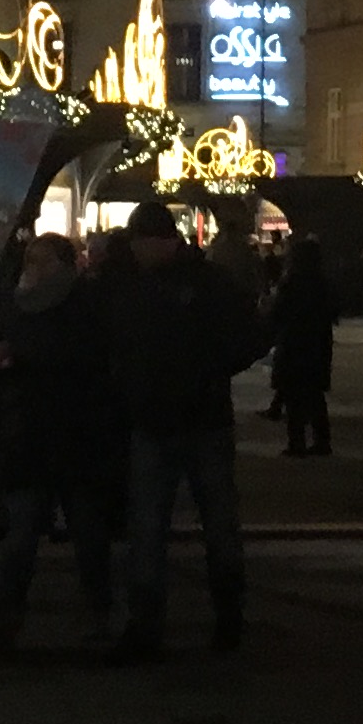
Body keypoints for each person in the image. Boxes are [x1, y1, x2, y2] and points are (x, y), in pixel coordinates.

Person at [101, 199, 267, 658]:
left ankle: (222, 618)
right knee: (156, 525)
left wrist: (205, 371)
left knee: (204, 522)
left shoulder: (204, 284)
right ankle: (152, 622)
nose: (137, 252)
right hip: (162, 419)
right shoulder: (140, 284)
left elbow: (252, 336)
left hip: (196, 419)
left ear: (161, 241)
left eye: (142, 243)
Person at [0, 232, 120, 644]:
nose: (34, 268)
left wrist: (19, 356)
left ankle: (100, 609)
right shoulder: (19, 304)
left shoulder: (83, 304)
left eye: (43, 260)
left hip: (75, 433)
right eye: (30, 260)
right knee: (22, 530)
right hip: (32, 433)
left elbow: (81, 357)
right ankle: (8, 608)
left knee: (87, 531)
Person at [268, 233, 338, 458]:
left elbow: (278, 313)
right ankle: (322, 441)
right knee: (315, 395)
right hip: (317, 343)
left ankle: (296, 442)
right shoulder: (322, 282)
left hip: (294, 342)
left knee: (293, 396)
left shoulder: (291, 282)